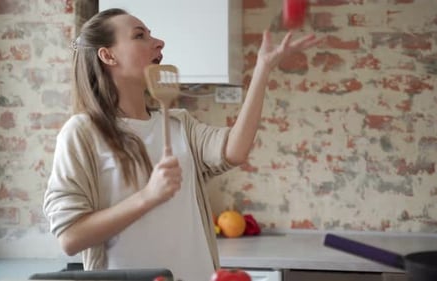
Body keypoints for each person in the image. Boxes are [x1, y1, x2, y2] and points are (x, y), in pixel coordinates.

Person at [43, 8, 320, 281]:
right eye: (140, 36)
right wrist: (148, 196)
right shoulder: (82, 133)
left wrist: (262, 68)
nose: (159, 41)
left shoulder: (179, 124)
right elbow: (70, 238)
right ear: (108, 55)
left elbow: (234, 151)